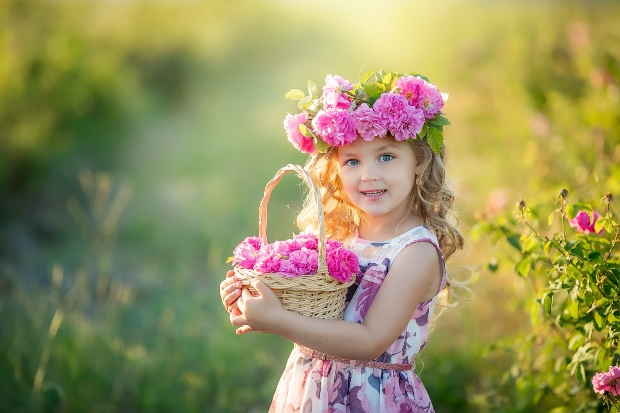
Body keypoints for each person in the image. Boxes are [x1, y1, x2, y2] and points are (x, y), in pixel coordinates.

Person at [219, 71, 465, 412]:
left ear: (419, 161)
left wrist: (275, 320)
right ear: (336, 169)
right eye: (352, 161)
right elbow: (300, 303)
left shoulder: (415, 252)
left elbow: (369, 341)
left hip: (370, 397)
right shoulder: (338, 236)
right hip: (310, 392)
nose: (369, 174)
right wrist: (250, 298)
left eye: (387, 156)